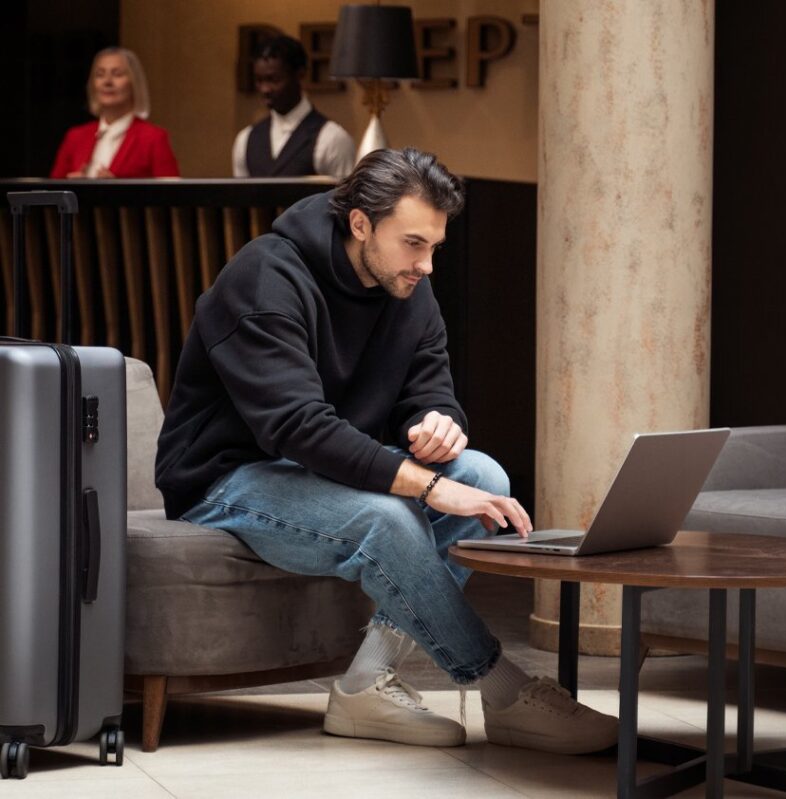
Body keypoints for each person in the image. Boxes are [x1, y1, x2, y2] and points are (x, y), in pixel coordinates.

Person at [155, 147, 618, 753]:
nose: (427, 265)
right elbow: (297, 426)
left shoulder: (405, 284)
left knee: (485, 477)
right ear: (360, 224)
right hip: (227, 480)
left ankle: (365, 685)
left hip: (323, 469)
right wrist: (426, 484)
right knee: (389, 515)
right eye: (414, 244)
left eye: (435, 247)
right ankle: (504, 690)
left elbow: (432, 389)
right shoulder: (264, 280)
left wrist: (440, 426)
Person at [233, 35, 355, 178]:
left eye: (274, 80)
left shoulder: (333, 138)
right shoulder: (246, 139)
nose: (265, 89)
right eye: (259, 80)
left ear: (300, 75)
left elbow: (345, 199)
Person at [50, 47, 180, 179]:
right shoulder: (75, 137)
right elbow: (52, 194)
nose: (107, 82)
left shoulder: (153, 138)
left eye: (117, 74)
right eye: (100, 74)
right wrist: (73, 187)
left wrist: (117, 191)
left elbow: (172, 196)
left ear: (134, 83)